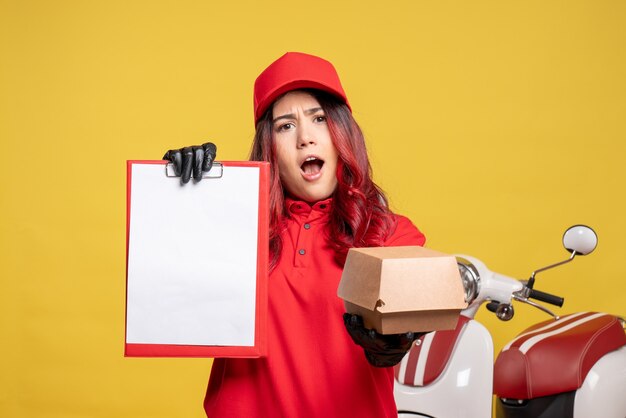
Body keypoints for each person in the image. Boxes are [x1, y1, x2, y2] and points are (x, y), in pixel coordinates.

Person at [163, 52, 426, 418]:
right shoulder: (233, 229)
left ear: (342, 133)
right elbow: (170, 280)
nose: (305, 138)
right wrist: (178, 196)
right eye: (285, 126)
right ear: (269, 146)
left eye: (319, 119)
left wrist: (396, 339)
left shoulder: (391, 234)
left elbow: (414, 314)